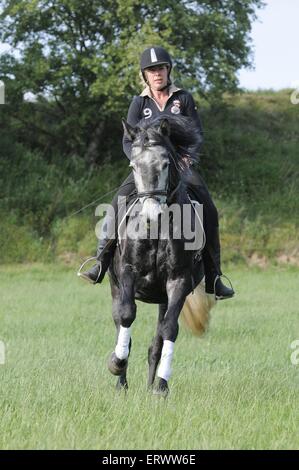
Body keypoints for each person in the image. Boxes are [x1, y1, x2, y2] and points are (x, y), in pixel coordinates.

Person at [79, 46, 234, 300]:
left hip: (180, 169)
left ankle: (214, 276)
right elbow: (127, 140)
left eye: (161, 68)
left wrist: (185, 159)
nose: (157, 73)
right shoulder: (138, 103)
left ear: (168, 70)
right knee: (116, 202)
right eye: (152, 70)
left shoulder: (183, 99)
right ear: (145, 75)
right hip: (147, 170)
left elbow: (196, 135)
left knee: (209, 208)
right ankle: (100, 262)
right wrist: (138, 161)